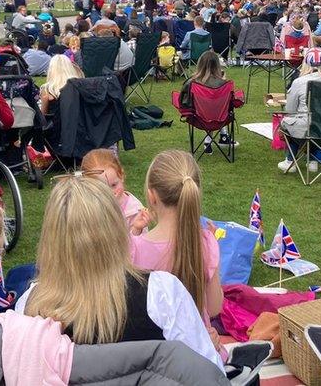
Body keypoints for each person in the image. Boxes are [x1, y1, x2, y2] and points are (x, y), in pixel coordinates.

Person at [13, 176, 222, 369]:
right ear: (115, 228)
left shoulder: (28, 306)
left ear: (51, 238)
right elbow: (207, 372)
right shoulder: (161, 294)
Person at [131, 150, 224, 323]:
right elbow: (214, 307)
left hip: (155, 348)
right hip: (198, 346)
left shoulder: (133, 249)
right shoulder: (206, 242)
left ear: (152, 196)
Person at [279, 49, 321, 173]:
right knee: (312, 124)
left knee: (288, 121)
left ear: (305, 64)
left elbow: (290, 110)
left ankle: (290, 161)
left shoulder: (299, 82)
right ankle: (312, 161)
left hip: (307, 128)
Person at [81, 149, 150, 235]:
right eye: (102, 188)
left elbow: (140, 245)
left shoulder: (135, 211)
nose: (110, 193)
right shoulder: (86, 207)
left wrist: (136, 229)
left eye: (114, 185)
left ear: (121, 176)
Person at [178, 51, 235, 153]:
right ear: (217, 65)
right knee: (215, 109)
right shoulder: (225, 84)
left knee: (208, 111)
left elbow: (183, 102)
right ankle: (223, 136)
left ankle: (213, 140)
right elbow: (231, 104)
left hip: (198, 118)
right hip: (221, 118)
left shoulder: (191, 83)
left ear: (200, 64)